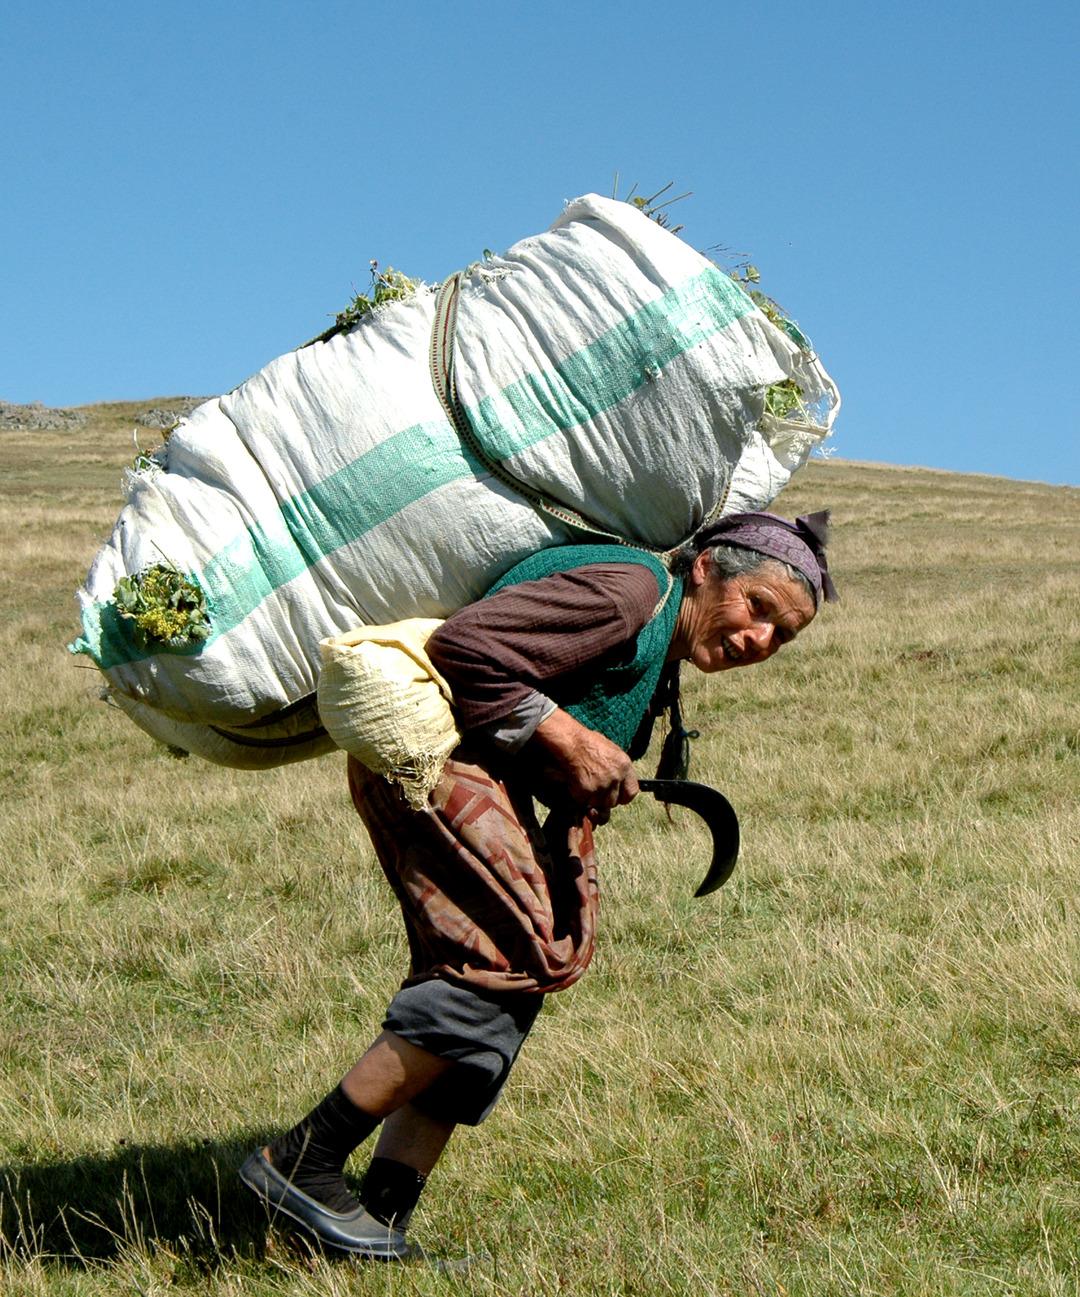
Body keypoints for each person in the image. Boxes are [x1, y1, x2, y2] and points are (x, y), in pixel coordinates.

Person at [239, 510, 837, 1260]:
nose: (759, 640)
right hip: (434, 754)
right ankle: (302, 1160)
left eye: (781, 636)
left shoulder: (659, 643)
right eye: (759, 610)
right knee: (500, 965)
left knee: (511, 991)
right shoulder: (629, 592)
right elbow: (465, 651)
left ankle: (380, 1219)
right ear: (707, 567)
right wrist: (571, 740)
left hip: (474, 772)